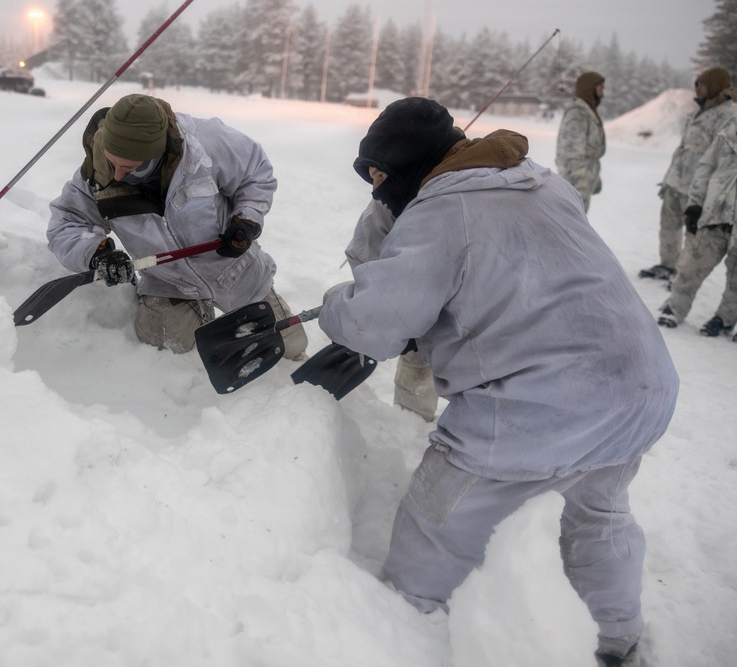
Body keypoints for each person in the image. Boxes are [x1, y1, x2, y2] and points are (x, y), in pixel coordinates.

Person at [319, 98, 679, 667]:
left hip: (539, 403)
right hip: (640, 388)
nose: (376, 189)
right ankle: (619, 639)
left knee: (435, 519)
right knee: (599, 513)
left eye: (382, 175)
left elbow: (373, 326)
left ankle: (406, 631)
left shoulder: (441, 212)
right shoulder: (538, 181)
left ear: (412, 165)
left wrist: (335, 302)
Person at [47, 93, 307, 357]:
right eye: (111, 162)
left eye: (128, 167)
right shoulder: (96, 175)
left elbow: (255, 175)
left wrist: (246, 220)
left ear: (154, 155)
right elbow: (66, 222)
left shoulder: (206, 143)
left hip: (235, 272)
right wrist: (98, 253)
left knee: (290, 348)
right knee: (166, 358)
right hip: (167, 282)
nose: (116, 175)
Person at [344, 200, 438, 421]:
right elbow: (366, 260)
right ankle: (412, 420)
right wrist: (391, 314)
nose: (376, 183)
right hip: (409, 296)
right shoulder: (385, 205)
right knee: (420, 359)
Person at [639, 67, 736, 281]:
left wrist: (709, 196)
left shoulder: (728, 116)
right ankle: (668, 266)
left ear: (714, 86)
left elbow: (722, 160)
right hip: (676, 183)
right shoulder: (697, 113)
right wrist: (668, 179)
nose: (697, 89)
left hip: (698, 189)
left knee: (693, 235)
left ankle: (682, 275)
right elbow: (684, 148)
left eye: (701, 85)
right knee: (668, 228)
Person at [657, 117, 737, 336]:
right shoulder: (729, 128)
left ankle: (725, 319)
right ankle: (674, 308)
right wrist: (695, 203)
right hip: (716, 213)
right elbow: (706, 166)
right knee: (692, 265)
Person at [555, 71, 606, 212]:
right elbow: (570, 152)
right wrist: (579, 182)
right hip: (575, 183)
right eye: (600, 87)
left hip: (584, 179)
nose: (603, 91)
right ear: (589, 88)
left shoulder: (588, 111)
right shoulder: (577, 112)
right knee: (569, 224)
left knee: (577, 224)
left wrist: (594, 177)